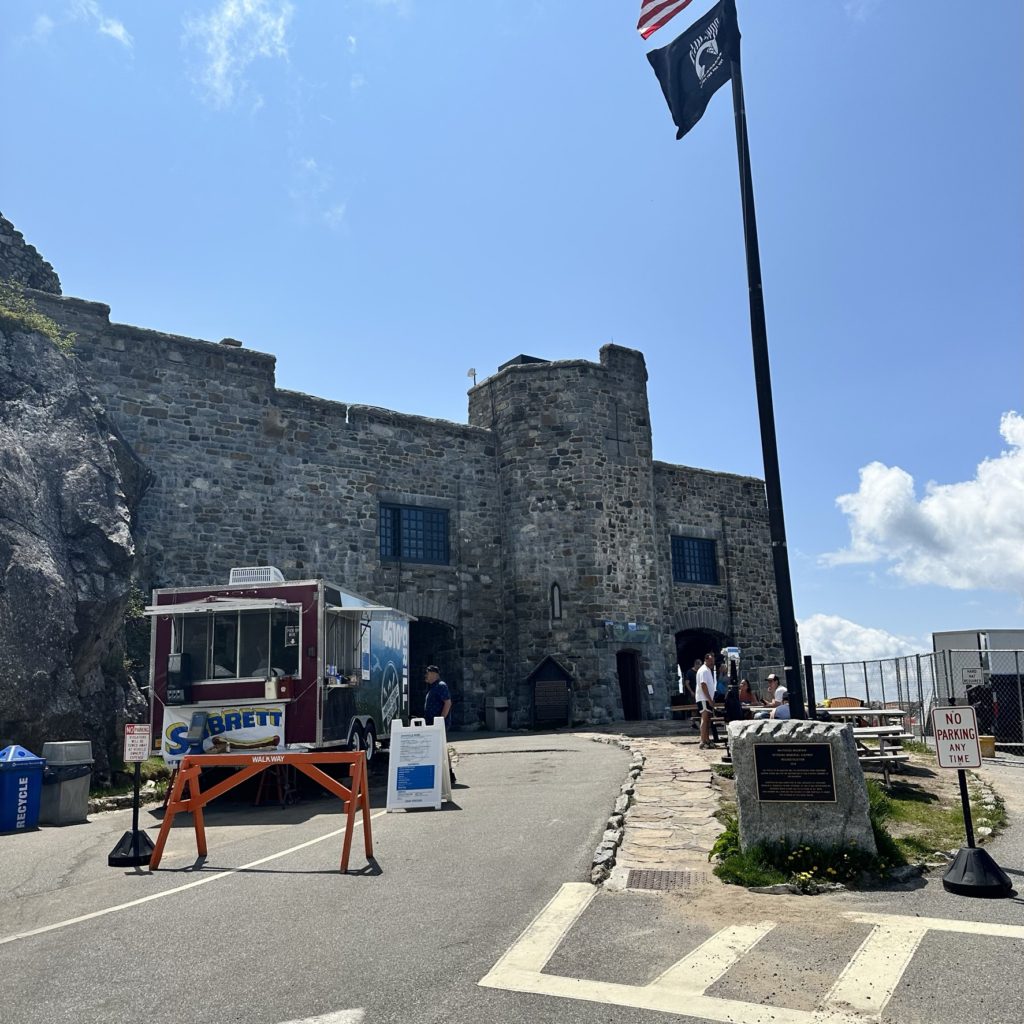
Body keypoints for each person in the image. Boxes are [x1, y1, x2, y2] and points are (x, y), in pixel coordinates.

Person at [424, 665, 456, 784]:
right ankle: (443, 773)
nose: (425, 675)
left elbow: (447, 703)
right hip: (432, 723)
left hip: (438, 723)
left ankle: (449, 773)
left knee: (441, 747)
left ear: (434, 674)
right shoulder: (432, 687)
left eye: (427, 672)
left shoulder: (441, 686)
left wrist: (441, 720)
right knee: (439, 748)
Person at [695, 652, 720, 749]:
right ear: (705, 660)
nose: (712, 663)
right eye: (710, 661)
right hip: (704, 698)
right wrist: (709, 699)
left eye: (713, 661)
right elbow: (703, 685)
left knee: (707, 719)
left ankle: (707, 740)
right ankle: (702, 741)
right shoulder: (704, 670)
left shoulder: (708, 670)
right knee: (705, 719)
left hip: (706, 698)